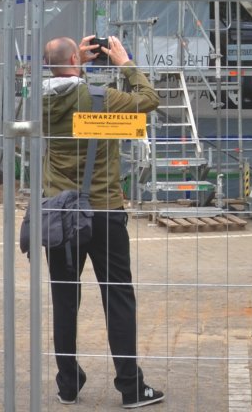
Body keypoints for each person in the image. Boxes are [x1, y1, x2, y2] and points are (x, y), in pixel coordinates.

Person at [39, 35, 165, 407]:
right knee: (118, 297)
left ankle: (67, 384)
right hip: (105, 210)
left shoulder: (36, 102)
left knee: (64, 298)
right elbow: (150, 100)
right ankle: (130, 386)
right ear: (77, 59)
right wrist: (125, 63)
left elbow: (58, 80)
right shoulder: (100, 98)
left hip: (60, 213)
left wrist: (71, 60)